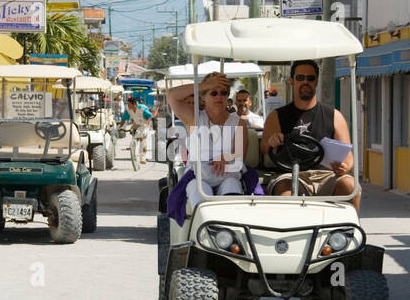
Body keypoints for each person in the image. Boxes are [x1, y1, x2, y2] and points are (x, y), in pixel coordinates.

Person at [260, 60, 358, 208]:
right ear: (292, 81)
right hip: (290, 174)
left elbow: (348, 156)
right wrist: (271, 142)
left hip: (326, 176)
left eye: (310, 78)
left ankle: (346, 230)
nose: (305, 82)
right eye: (300, 78)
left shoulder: (334, 116)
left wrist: (345, 167)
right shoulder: (276, 116)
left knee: (350, 185)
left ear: (316, 81)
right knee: (285, 192)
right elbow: (264, 147)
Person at [166, 71, 248, 210]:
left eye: (223, 93)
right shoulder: (193, 118)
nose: (219, 97)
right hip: (199, 177)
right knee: (201, 197)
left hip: (228, 175)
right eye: (213, 93)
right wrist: (204, 85)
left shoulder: (238, 122)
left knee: (231, 191)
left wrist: (226, 157)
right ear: (203, 97)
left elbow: (240, 154)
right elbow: (172, 96)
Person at [120, 95, 153, 163]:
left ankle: (142, 157)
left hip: (144, 123)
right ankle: (134, 153)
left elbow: (150, 116)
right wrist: (120, 127)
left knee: (142, 138)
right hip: (136, 123)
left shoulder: (142, 108)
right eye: (127, 104)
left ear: (134, 104)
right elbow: (124, 118)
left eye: (129, 104)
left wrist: (146, 124)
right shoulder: (128, 109)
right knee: (133, 134)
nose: (128, 105)